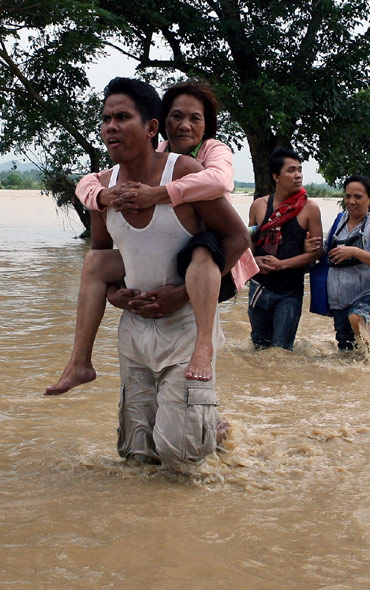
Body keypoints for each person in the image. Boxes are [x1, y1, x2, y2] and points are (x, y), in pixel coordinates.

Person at [49, 77, 250, 469]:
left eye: (123, 117)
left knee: (180, 455)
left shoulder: (185, 171)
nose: (111, 126)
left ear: (150, 127)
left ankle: (211, 429)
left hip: (188, 326)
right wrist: (113, 295)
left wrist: (181, 294)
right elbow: (102, 254)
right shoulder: (103, 188)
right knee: (138, 455)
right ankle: (80, 362)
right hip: (136, 327)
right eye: (106, 119)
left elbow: (238, 237)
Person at [247, 146, 323, 351]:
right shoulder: (259, 206)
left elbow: (316, 252)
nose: (298, 175)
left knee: (281, 350)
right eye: (291, 170)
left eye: (299, 170)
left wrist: (282, 265)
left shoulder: (310, 209)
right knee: (258, 347)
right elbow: (250, 243)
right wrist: (254, 262)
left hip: (290, 291)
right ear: (276, 176)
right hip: (259, 286)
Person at [319, 175, 370, 350]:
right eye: (348, 196)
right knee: (346, 353)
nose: (351, 201)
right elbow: (325, 251)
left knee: (357, 317)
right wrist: (311, 246)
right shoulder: (340, 221)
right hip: (339, 300)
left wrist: (354, 252)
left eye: (358, 197)